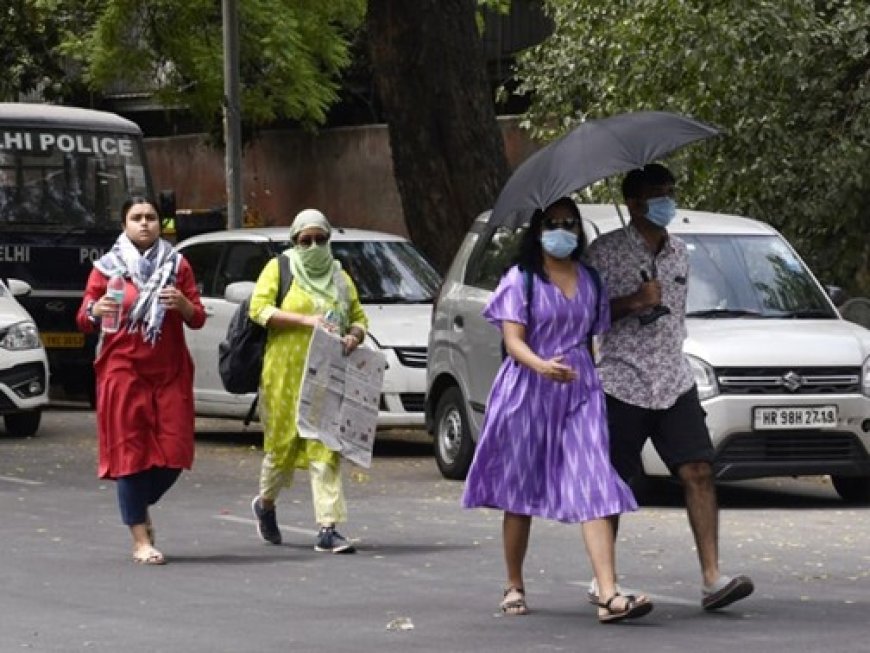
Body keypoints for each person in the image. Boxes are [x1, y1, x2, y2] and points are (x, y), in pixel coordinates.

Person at [461, 198, 653, 623]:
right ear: (538, 229)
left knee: (597, 482)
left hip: (580, 389)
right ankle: (514, 584)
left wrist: (640, 299)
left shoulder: (591, 280)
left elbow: (599, 327)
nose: (562, 230)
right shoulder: (521, 280)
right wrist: (542, 366)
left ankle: (608, 595)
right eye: (553, 223)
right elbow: (513, 341)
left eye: (570, 223)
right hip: (528, 389)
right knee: (519, 491)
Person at [584, 163, 754, 610]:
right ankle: (604, 580)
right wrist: (635, 302)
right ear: (635, 203)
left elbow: (676, 317)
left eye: (670, 191)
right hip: (622, 379)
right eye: (659, 194)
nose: (668, 201)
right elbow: (584, 314)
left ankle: (712, 578)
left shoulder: (680, 252)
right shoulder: (603, 253)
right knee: (613, 482)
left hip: (673, 378)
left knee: (698, 469)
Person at [76, 196, 205, 565]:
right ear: (124, 225)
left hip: (169, 370)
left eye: (151, 218)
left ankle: (136, 502)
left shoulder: (178, 265)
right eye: (137, 218)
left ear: (160, 224)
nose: (145, 223)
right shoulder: (107, 268)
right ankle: (140, 539)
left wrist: (182, 304)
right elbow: (84, 317)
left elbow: (196, 317)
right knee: (131, 453)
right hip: (122, 369)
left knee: (175, 453)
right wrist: (95, 310)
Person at [249, 208, 368, 554]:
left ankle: (327, 528)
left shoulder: (340, 277)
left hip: (327, 375)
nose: (314, 246)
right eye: (306, 240)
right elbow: (258, 310)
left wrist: (354, 337)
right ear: (295, 242)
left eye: (321, 239)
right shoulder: (280, 268)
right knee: (282, 448)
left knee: (325, 447)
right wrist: (306, 321)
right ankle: (266, 504)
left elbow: (358, 318)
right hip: (285, 374)